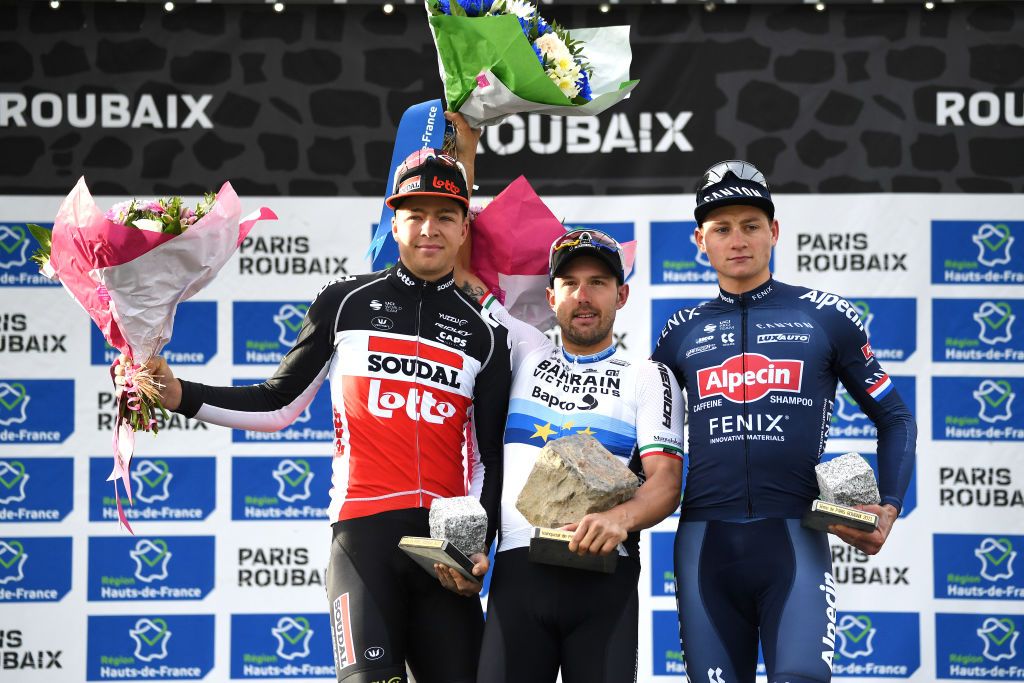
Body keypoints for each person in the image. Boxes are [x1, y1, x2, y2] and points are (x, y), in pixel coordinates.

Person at [116, 128, 511, 683]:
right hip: (362, 539)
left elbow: (491, 459)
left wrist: (477, 548)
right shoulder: (345, 301)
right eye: (415, 213)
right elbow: (278, 403)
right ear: (393, 222)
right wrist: (179, 393)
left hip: (444, 554)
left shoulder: (485, 333)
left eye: (445, 216)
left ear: (464, 228)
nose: (429, 228)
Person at [650, 160, 917, 683]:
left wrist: (888, 507)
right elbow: (650, 440)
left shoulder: (826, 314)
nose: (738, 239)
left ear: (773, 231)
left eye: (751, 225)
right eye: (722, 229)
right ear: (699, 240)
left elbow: (895, 417)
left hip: (793, 535)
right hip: (705, 540)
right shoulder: (679, 332)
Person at [438, 228, 685, 683]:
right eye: (570, 283)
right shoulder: (526, 352)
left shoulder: (647, 376)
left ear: (622, 294)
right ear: (552, 297)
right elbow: (459, 272)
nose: (584, 295)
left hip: (603, 577)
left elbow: (666, 483)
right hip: (517, 575)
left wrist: (622, 518)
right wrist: (463, 168)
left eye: (598, 282)